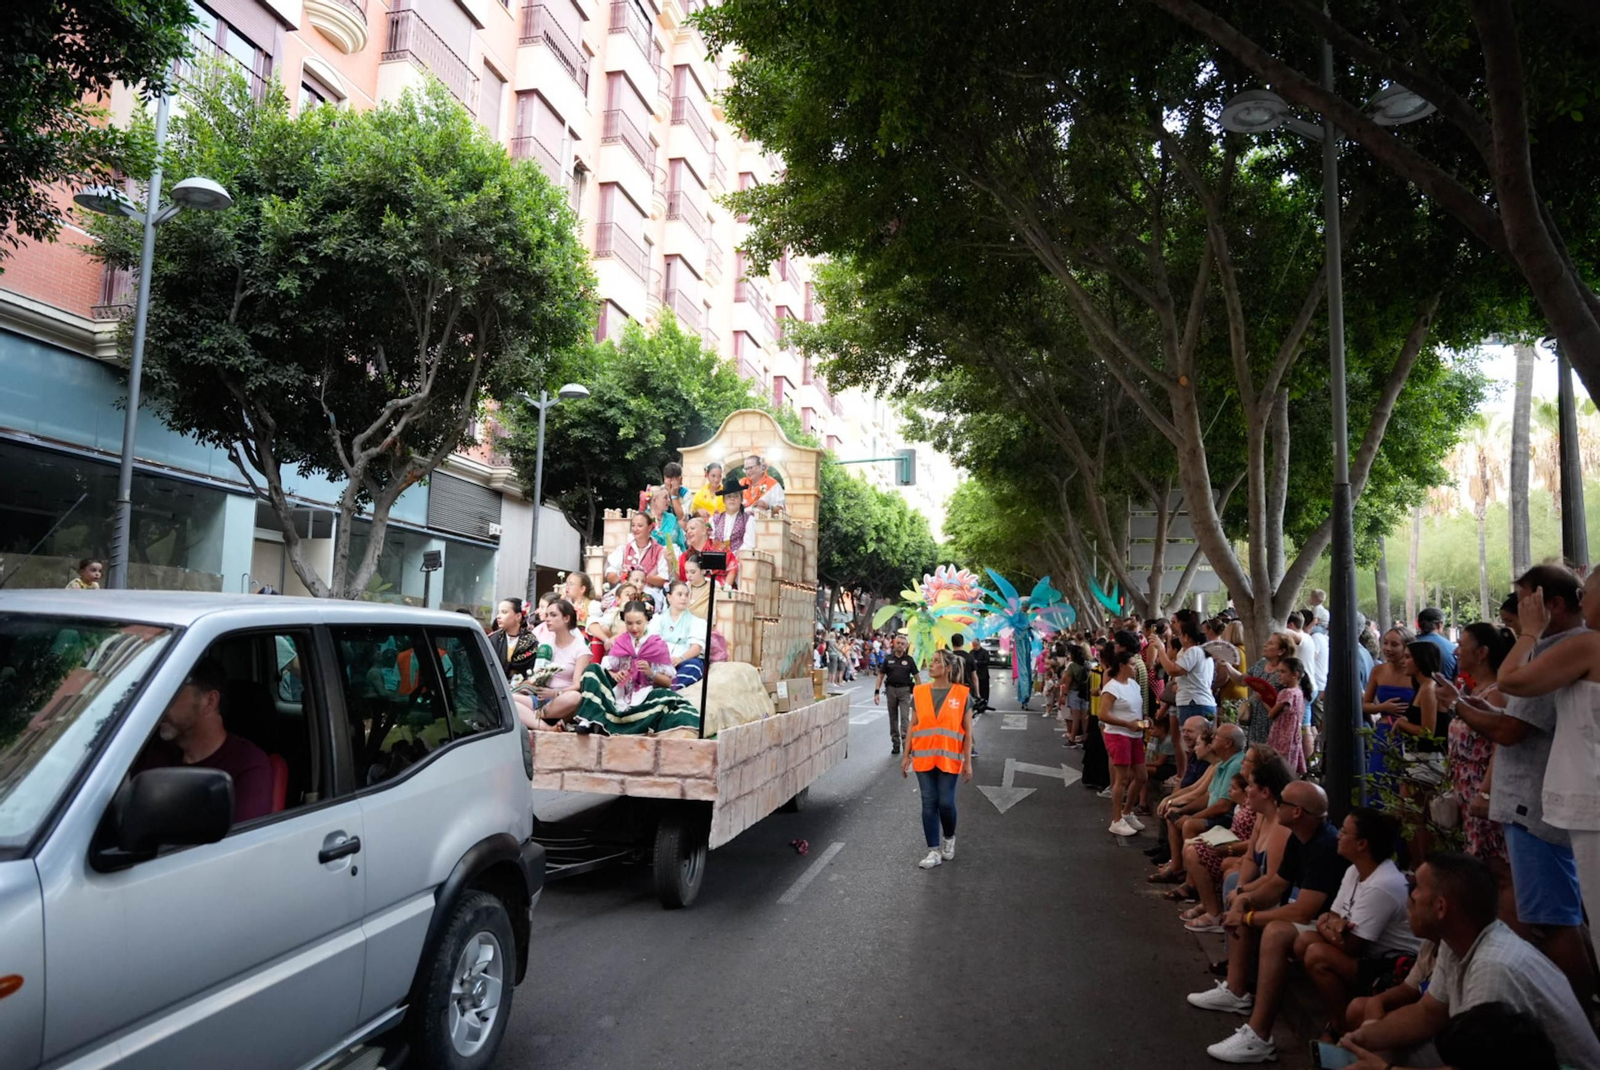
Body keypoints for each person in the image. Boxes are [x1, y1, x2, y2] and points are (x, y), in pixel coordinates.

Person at [1442, 565, 1596, 1003]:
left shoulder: (1565, 646)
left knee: (1553, 920)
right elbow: (1514, 715)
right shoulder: (1562, 647)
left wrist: (1528, 635)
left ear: (1552, 605)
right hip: (1542, 801)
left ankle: (1579, 1016)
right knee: (1554, 913)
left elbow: (1512, 721)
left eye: (1527, 601)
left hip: (1539, 803)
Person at [1338, 853, 1600, 1070]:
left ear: (1441, 908)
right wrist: (1361, 1038)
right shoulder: (1457, 943)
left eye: (1415, 888)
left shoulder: (1493, 969)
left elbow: (1473, 1067)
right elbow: (1427, 1014)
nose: (1410, 898)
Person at [1190, 782, 1351, 1064]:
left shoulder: (1324, 845)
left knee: (1275, 931)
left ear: (1297, 812)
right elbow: (1277, 883)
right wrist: (1244, 900)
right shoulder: (1299, 837)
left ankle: (1259, 1035)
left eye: (1282, 802)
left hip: (1328, 925)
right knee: (1246, 906)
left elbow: (1303, 911)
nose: (1277, 806)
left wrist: (1248, 916)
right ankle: (1236, 991)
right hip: (1315, 918)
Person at [1494, 564, 1600, 968]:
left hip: (1587, 797)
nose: (1582, 600)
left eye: (1588, 592)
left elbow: (1511, 680)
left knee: (1567, 918)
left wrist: (1529, 634)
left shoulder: (1586, 645)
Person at [1295, 808, 1420, 1043]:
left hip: (1393, 964)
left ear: (1362, 844)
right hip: (1367, 953)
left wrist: (1326, 924)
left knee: (1316, 954)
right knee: (1304, 941)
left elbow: (1351, 945)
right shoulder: (1355, 870)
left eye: (1344, 832)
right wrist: (1331, 923)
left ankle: (1341, 1026)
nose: (1338, 835)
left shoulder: (1382, 884)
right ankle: (1339, 1015)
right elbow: (1333, 914)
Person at [135, 656, 275, 823]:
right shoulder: (153, 752)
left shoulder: (248, 764)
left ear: (209, 701)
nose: (159, 705)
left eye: (171, 694)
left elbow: (245, 837)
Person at [1438, 623, 1513, 914]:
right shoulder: (1471, 691)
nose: (1456, 651)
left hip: (1483, 790)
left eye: (1462, 645)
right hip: (1466, 790)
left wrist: (1485, 793)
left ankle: (1512, 928)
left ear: (1482, 653)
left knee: (1498, 868)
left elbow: (1500, 746)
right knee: (1480, 866)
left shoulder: (1495, 694)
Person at [1181, 753, 1293, 935]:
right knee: (1232, 877)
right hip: (1244, 863)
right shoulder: (1262, 815)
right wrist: (1241, 885)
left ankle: (1217, 914)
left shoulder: (1280, 827)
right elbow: (1250, 857)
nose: (1247, 792)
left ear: (1265, 792)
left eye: (1251, 786)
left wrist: (1242, 892)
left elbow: (1273, 880)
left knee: (1229, 876)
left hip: (1273, 894)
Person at [563, 601, 703, 737]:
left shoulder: (657, 645)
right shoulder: (621, 642)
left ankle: (620, 723)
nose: (634, 628)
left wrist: (651, 672)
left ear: (647, 620)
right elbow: (608, 669)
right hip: (617, 693)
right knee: (592, 669)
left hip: (645, 694)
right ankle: (588, 719)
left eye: (638, 623)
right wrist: (615, 675)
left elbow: (668, 682)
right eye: (629, 623)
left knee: (665, 697)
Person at [900, 648, 973, 869]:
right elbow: (912, 726)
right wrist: (906, 755)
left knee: (946, 803)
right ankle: (933, 850)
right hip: (923, 757)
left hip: (949, 758)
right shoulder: (920, 692)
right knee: (929, 802)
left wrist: (968, 763)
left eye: (936, 661)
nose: (930, 665)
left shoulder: (962, 694)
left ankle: (949, 838)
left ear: (948, 668)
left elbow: (968, 732)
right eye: (931, 661)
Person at [1150, 722, 1244, 884]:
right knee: (1174, 815)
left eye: (1217, 737)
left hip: (1226, 817)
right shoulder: (1223, 763)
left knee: (1189, 825)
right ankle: (1176, 867)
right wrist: (1182, 810)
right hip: (1215, 812)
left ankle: (1191, 882)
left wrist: (1192, 817)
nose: (1213, 739)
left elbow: (1223, 805)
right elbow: (1207, 795)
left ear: (1228, 743)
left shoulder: (1234, 764)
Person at [515, 599, 592, 729]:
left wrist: (555, 693)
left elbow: (577, 686)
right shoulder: (545, 645)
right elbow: (538, 673)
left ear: (566, 618)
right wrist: (532, 681)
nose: (547, 619)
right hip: (540, 697)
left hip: (563, 700)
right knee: (508, 699)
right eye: (547, 615)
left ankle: (533, 716)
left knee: (575, 697)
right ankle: (547, 727)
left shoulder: (581, 649)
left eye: (553, 615)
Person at [1098, 644, 1147, 837]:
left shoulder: (1134, 685)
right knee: (1122, 778)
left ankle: (1127, 812)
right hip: (1119, 735)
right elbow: (1103, 714)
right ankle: (1116, 819)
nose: (1135, 668)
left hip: (1135, 735)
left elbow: (1136, 709)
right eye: (1132, 665)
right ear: (1122, 666)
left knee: (1141, 776)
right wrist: (1127, 724)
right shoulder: (1112, 687)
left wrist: (1144, 722)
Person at [1362, 626, 1417, 783]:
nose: (1388, 648)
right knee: (1379, 778)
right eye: (1385, 643)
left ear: (1406, 647)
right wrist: (1382, 707)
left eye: (1394, 644)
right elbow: (1365, 705)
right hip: (1384, 731)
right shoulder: (1378, 671)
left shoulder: (1415, 674)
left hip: (1409, 733)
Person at [649, 580, 708, 689]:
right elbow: (653, 642)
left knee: (695, 666)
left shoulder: (697, 621)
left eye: (686, 595)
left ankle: (672, 686)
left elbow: (696, 648)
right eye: (679, 594)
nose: (684, 598)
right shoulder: (658, 619)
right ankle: (658, 681)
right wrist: (664, 660)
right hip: (661, 660)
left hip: (684, 660)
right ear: (669, 597)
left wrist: (680, 659)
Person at [1157, 619, 1217, 723]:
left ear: (1186, 637)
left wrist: (1160, 649)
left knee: (1191, 733)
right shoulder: (1202, 652)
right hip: (1199, 703)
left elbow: (1173, 670)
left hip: (1194, 703)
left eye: (1180, 635)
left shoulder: (1194, 650)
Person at [604, 511, 669, 604]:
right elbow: (610, 576)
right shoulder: (623, 549)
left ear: (650, 527)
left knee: (643, 603)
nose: (635, 529)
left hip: (648, 591)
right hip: (625, 591)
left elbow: (663, 580)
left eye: (640, 526)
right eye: (633, 525)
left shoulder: (660, 551)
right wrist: (621, 576)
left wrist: (642, 578)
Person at [875, 634, 920, 754]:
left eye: (902, 644)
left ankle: (906, 744)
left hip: (904, 691)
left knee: (905, 718)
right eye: (898, 643)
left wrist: (919, 694)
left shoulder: (909, 660)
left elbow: (917, 677)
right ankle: (895, 743)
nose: (900, 645)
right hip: (891, 690)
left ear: (906, 646)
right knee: (893, 717)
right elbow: (881, 675)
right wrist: (877, 691)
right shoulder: (888, 659)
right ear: (894, 644)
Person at [1264, 656, 1308, 774]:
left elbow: (1272, 714)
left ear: (1295, 674)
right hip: (1293, 735)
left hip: (1282, 735)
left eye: (1283, 672)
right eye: (1278, 671)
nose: (1279, 675)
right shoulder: (1299, 692)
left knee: (1278, 766)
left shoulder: (1287, 693)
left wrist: (1263, 699)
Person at [487, 597, 542, 680]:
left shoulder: (531, 642)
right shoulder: (493, 639)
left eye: (504, 612)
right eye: (499, 612)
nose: (498, 616)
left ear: (518, 616)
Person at [1415, 607, 1457, 681]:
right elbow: (1456, 679)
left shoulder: (1407, 644)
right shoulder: (1453, 649)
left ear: (1418, 624)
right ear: (1439, 624)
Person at [970, 637, 992, 714]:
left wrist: (978, 662)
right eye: (974, 645)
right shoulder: (971, 652)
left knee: (984, 691)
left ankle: (984, 705)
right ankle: (976, 705)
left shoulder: (984, 652)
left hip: (983, 675)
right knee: (975, 691)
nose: (975, 647)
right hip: (974, 675)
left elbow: (987, 661)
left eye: (976, 645)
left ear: (979, 644)